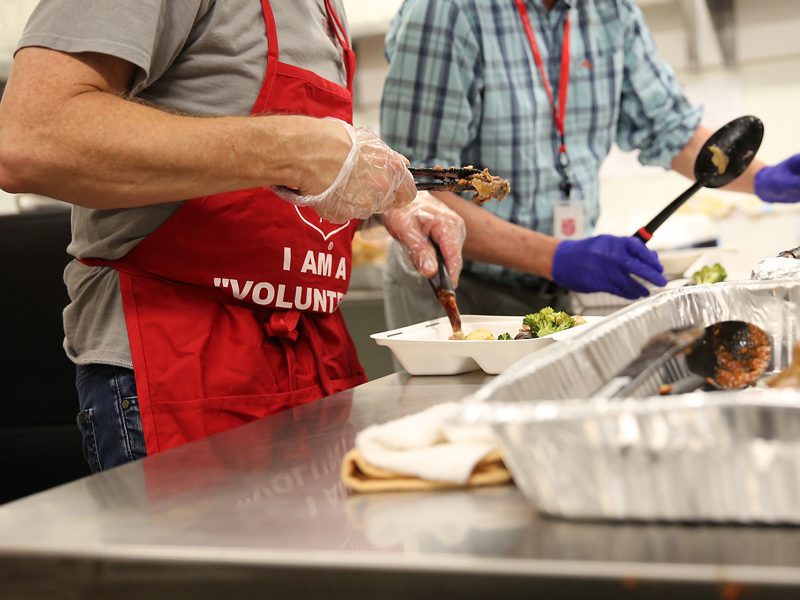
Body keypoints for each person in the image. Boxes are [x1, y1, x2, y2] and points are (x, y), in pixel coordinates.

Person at [0, 0, 466, 471]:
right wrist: (293, 148)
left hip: (315, 358)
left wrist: (383, 201)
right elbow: (33, 140)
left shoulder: (328, 10)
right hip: (180, 362)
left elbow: (262, 183)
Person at [380, 0, 800, 329]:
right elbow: (410, 187)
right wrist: (558, 256)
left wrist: (763, 178)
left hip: (556, 286)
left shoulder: (608, 9)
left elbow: (671, 129)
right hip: (455, 291)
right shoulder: (446, 10)